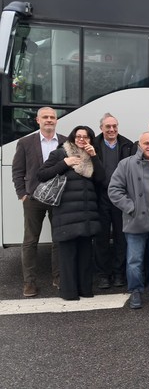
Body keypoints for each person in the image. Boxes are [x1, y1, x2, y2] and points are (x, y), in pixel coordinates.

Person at [37, 125, 104, 301]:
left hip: (87, 213)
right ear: (73, 138)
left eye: (86, 137)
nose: (82, 139)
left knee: (85, 256)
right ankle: (69, 292)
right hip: (66, 213)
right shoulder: (61, 153)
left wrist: (95, 157)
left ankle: (85, 290)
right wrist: (64, 163)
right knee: (67, 256)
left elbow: (101, 179)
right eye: (78, 136)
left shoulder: (92, 156)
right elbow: (42, 174)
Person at [108, 132, 149, 309]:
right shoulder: (127, 164)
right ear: (140, 145)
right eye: (147, 143)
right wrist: (132, 208)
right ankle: (136, 291)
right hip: (136, 219)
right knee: (135, 259)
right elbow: (114, 190)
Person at [12, 107, 65, 297]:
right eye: (45, 117)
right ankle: (29, 283)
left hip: (58, 198)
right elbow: (18, 171)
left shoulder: (65, 142)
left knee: (58, 240)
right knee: (30, 241)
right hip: (33, 198)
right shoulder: (25, 142)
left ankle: (58, 278)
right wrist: (22, 194)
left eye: (52, 117)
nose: (49, 120)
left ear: (56, 120)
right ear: (38, 120)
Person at [92, 113, 133, 289]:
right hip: (100, 197)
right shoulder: (93, 144)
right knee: (100, 238)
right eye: (108, 126)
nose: (112, 129)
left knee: (120, 237)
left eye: (114, 126)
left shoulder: (127, 145)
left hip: (121, 198)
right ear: (101, 128)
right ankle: (103, 275)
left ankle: (118, 273)